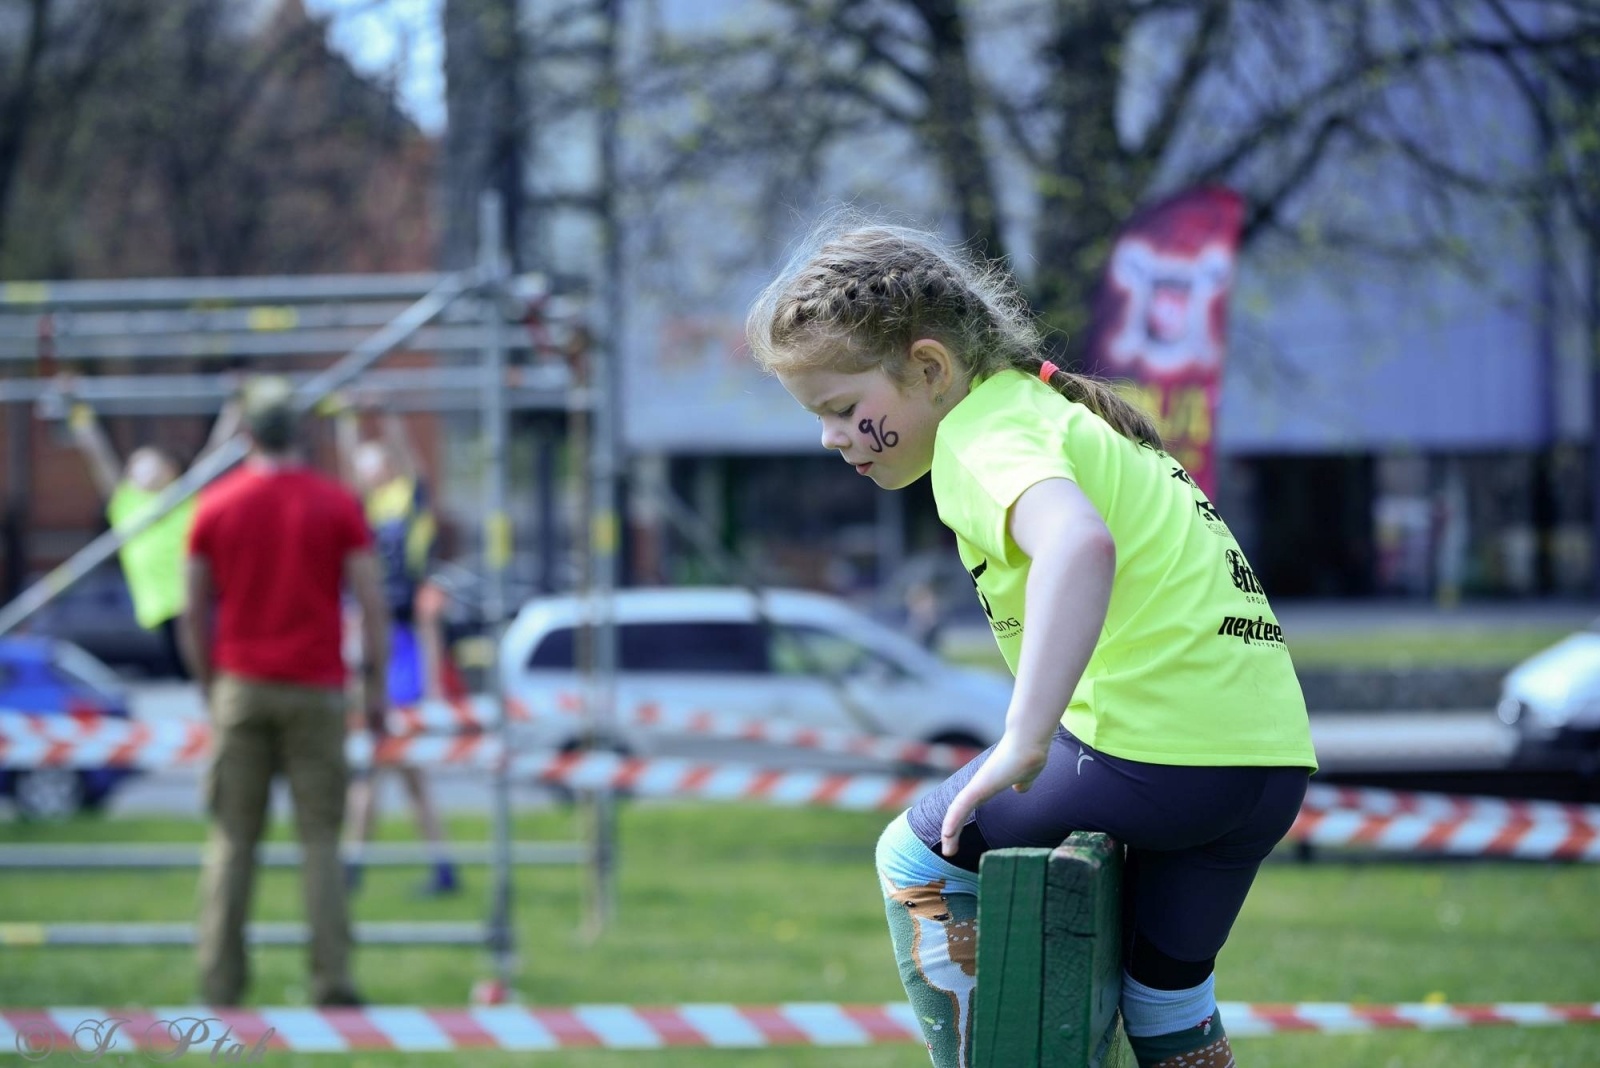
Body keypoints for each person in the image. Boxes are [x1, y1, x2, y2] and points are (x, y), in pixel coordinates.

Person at [745, 219, 1317, 1068]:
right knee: (1167, 1001)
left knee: (914, 858)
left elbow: (1079, 545)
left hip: (1158, 755)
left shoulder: (980, 437)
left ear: (930, 369)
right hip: (1266, 764)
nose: (831, 437)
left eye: (841, 409)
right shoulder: (1042, 411)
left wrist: (1023, 738)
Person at [180, 375, 388, 1008]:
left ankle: (220, 986)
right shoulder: (336, 504)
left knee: (231, 842)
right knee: (321, 841)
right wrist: (376, 689)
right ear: (299, 429)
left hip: (240, 687)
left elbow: (193, 610)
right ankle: (332, 981)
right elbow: (373, 605)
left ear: (246, 432)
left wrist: (210, 685)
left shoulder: (215, 506)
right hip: (317, 691)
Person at [333, 398, 459, 897]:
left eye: (377, 465)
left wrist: (388, 415)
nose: (371, 473)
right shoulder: (357, 512)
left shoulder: (408, 501)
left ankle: (356, 868)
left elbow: (411, 463)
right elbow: (348, 471)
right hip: (371, 640)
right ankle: (425, 867)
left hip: (399, 642)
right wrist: (346, 421)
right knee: (390, 772)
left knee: (386, 767)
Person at [60, 378, 241, 678]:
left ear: (170, 470)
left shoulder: (183, 497)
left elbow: (216, 450)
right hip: (156, 610)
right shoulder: (126, 503)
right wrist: (76, 410)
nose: (139, 472)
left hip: (194, 604)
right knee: (187, 678)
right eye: (135, 466)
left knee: (211, 672)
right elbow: (97, 452)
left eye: (148, 464)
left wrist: (234, 407)